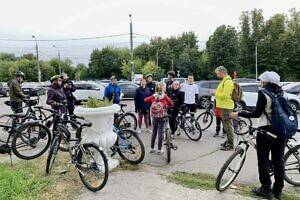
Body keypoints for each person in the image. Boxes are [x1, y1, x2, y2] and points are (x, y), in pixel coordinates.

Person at [230, 71, 286, 200]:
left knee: (263, 160)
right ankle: (278, 191)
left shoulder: (264, 93)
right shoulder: (281, 92)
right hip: (281, 130)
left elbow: (256, 113)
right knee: (279, 161)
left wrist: (238, 114)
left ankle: (265, 188)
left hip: (266, 130)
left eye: (261, 80)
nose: (260, 82)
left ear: (265, 81)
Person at [144, 82, 173, 154]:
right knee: (161, 132)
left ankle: (152, 148)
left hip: (154, 117)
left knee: (154, 131)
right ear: (163, 88)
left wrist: (151, 102)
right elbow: (171, 103)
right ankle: (159, 149)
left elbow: (145, 100)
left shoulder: (153, 96)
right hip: (162, 116)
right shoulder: (165, 96)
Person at [210, 66, 234, 151]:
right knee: (226, 125)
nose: (217, 75)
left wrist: (215, 93)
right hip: (224, 106)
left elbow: (226, 95)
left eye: (217, 73)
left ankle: (230, 144)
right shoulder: (224, 80)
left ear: (222, 72)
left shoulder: (227, 81)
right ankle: (228, 141)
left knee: (227, 126)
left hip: (226, 106)